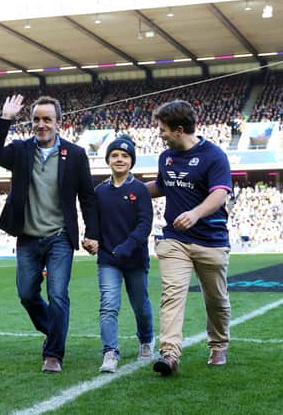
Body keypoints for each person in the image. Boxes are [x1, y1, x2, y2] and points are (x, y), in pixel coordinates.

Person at [0, 94, 99, 373]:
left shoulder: (75, 154)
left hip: (60, 237)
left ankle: (53, 354)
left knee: (58, 294)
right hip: (27, 237)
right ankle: (55, 330)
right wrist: (5, 119)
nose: (41, 124)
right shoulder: (21, 150)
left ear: (59, 123)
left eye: (47, 119)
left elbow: (87, 197)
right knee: (26, 294)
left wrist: (92, 233)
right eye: (36, 119)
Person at [146, 99, 232, 376]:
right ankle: (169, 354)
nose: (160, 134)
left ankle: (218, 345)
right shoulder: (165, 157)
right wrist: (126, 190)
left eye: (163, 129)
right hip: (174, 239)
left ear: (179, 129)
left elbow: (220, 193)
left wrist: (196, 213)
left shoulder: (214, 155)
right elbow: (161, 185)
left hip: (211, 240)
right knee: (171, 294)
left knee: (216, 299)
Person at [94, 136, 155, 373]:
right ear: (108, 159)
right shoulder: (99, 191)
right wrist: (92, 240)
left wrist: (127, 247)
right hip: (108, 259)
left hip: (135, 258)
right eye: (115, 155)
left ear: (132, 161)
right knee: (108, 305)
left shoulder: (139, 189)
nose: (120, 159)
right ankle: (110, 352)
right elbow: (95, 223)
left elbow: (144, 224)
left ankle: (146, 340)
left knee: (140, 305)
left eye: (125, 156)